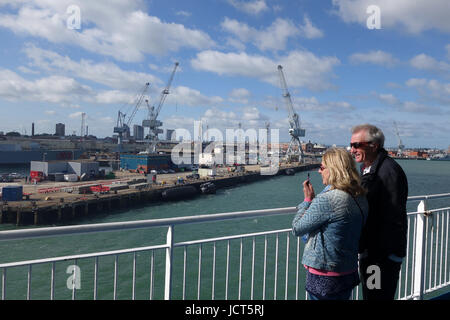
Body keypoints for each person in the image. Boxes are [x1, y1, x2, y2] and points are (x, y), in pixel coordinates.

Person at [292, 148, 368, 300]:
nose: (319, 172)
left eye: (322, 167)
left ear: (333, 169)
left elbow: (297, 228)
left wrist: (307, 201)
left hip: (325, 275)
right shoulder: (360, 197)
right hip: (348, 270)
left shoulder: (329, 199)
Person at [350, 124, 408, 300]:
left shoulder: (388, 172)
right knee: (371, 294)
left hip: (380, 255)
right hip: (372, 251)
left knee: (376, 296)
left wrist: (382, 253)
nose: (352, 150)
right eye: (351, 145)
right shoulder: (369, 169)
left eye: (357, 145)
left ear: (373, 145)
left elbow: (392, 214)